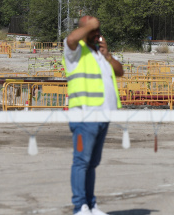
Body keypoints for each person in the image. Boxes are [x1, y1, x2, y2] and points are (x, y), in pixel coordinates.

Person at [63, 15, 124, 215]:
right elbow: (71, 39)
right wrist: (90, 25)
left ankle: (90, 204)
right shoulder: (76, 52)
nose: (97, 34)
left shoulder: (99, 55)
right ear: (83, 31)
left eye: (98, 30)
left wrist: (108, 56)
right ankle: (79, 206)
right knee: (81, 161)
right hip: (84, 116)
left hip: (103, 117)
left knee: (92, 163)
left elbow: (120, 71)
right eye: (92, 30)